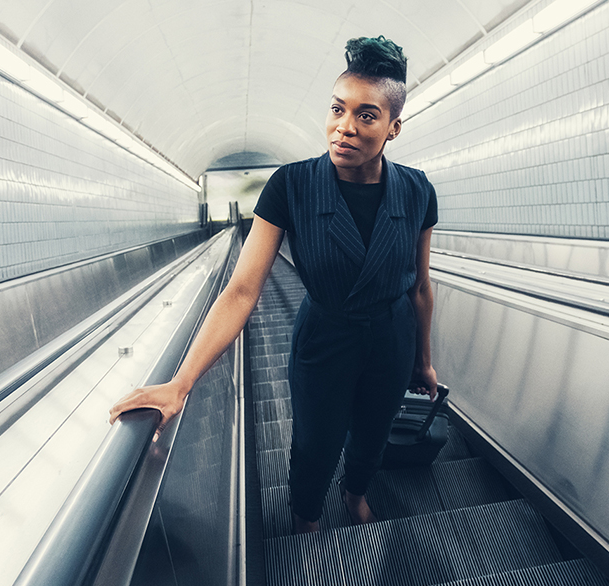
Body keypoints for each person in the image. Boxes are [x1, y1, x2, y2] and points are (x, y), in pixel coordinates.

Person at [109, 36, 437, 534]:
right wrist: (182, 382)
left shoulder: (417, 190)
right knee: (315, 441)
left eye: (366, 116)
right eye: (336, 109)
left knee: (373, 432)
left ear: (394, 128)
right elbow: (241, 291)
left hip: (393, 337)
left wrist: (423, 359)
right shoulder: (293, 184)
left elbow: (420, 288)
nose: (344, 128)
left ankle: (355, 494)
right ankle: (306, 515)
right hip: (326, 336)